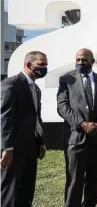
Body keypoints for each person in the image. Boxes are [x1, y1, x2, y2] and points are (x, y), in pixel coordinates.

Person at [57, 48, 97, 207]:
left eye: (84, 60)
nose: (80, 63)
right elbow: (62, 106)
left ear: (92, 61)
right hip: (75, 138)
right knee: (74, 180)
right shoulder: (66, 80)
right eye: (78, 60)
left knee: (94, 180)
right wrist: (83, 124)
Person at [1, 51, 48, 207]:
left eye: (46, 64)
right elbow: (5, 117)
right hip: (14, 148)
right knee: (10, 189)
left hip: (30, 146)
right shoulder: (11, 84)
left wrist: (40, 142)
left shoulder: (36, 89)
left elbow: (36, 118)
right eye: (41, 64)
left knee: (27, 188)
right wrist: (7, 147)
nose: (45, 68)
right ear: (29, 64)